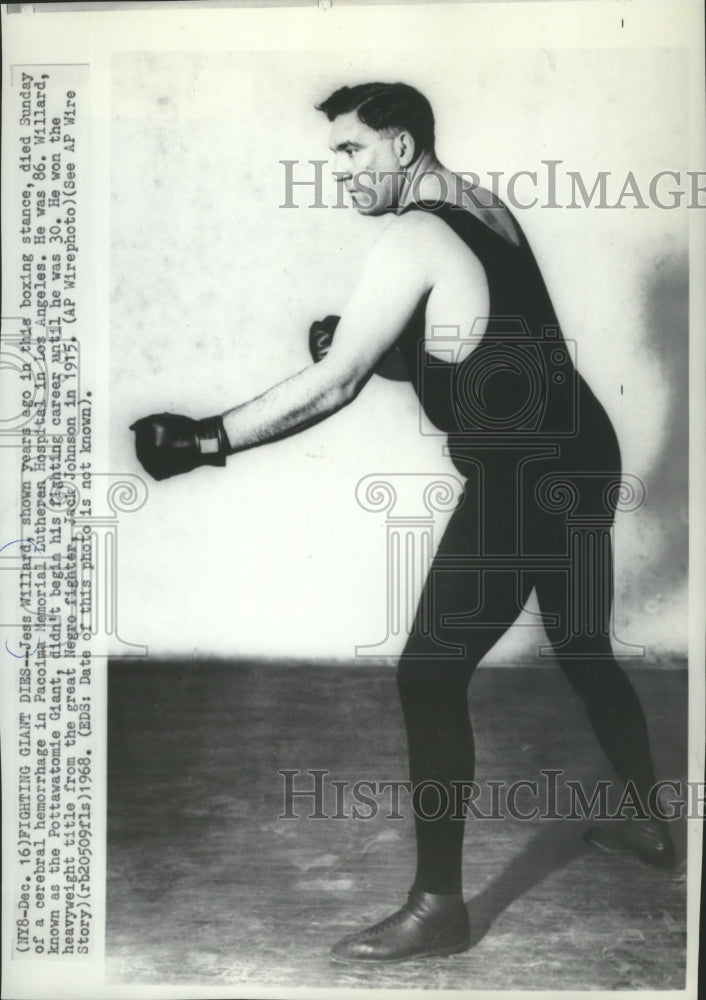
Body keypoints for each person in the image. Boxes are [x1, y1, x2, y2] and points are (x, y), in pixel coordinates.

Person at [130, 82, 675, 964]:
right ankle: (652, 827)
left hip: (525, 478)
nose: (337, 172)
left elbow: (334, 386)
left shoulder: (414, 236)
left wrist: (204, 439)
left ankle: (438, 909)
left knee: (428, 674)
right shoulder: (480, 208)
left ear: (403, 146)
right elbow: (491, 344)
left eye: (351, 152)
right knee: (582, 645)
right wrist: (394, 350)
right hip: (580, 451)